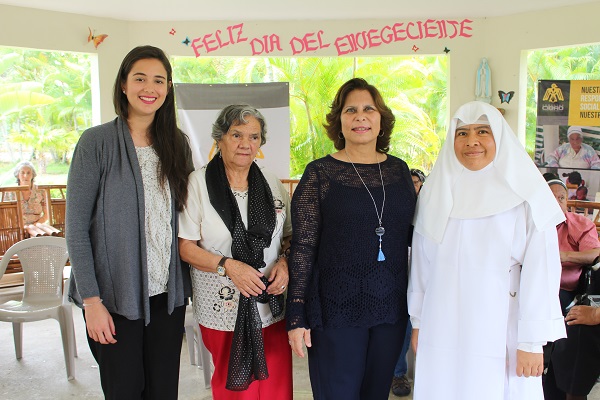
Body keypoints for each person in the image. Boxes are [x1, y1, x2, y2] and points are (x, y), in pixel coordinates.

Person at [408, 101, 566, 400]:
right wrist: (418, 323)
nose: (472, 142)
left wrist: (531, 342)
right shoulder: (435, 192)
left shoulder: (527, 193)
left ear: (501, 137)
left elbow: (542, 269)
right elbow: (421, 267)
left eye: (483, 131)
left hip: (503, 326)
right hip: (443, 323)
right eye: (462, 133)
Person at [66, 45, 193, 400]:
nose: (149, 87)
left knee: (163, 391)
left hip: (167, 295)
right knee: (124, 391)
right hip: (113, 295)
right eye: (139, 78)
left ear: (167, 89)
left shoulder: (177, 144)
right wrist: (92, 301)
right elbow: (75, 228)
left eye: (158, 80)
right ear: (123, 84)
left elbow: (185, 217)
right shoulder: (97, 142)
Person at [286, 78, 416, 399]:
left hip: (390, 310)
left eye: (368, 109)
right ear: (339, 121)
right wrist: (296, 315)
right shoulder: (319, 174)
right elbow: (302, 249)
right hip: (335, 311)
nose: (360, 117)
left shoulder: (400, 172)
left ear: (381, 119)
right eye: (351, 110)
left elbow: (414, 235)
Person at [178, 104, 293, 399]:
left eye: (254, 137)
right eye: (236, 134)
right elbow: (185, 247)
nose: (246, 144)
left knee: (276, 384)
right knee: (236, 389)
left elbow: (290, 236)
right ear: (220, 139)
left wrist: (284, 261)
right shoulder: (199, 183)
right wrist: (228, 265)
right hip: (223, 307)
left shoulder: (271, 182)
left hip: (271, 302)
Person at [544, 178, 600, 400]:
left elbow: (594, 254)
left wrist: (562, 256)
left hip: (566, 290)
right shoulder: (529, 224)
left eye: (561, 198)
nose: (557, 203)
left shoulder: (578, 224)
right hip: (531, 289)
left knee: (575, 326)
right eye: (551, 198)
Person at [391, 167, 426, 397]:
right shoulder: (397, 208)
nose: (413, 186)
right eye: (409, 182)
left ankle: (402, 372)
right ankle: (397, 372)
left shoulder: (429, 208)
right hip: (397, 272)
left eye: (416, 182)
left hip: (422, 274)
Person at [11, 160, 59, 237]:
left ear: (33, 175)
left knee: (46, 235)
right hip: (16, 227)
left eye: (28, 173)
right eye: (22, 173)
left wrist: (34, 225)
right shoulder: (11, 192)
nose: (25, 176)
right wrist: (23, 227)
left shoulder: (40, 191)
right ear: (17, 175)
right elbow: (8, 216)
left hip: (37, 227)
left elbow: (46, 215)